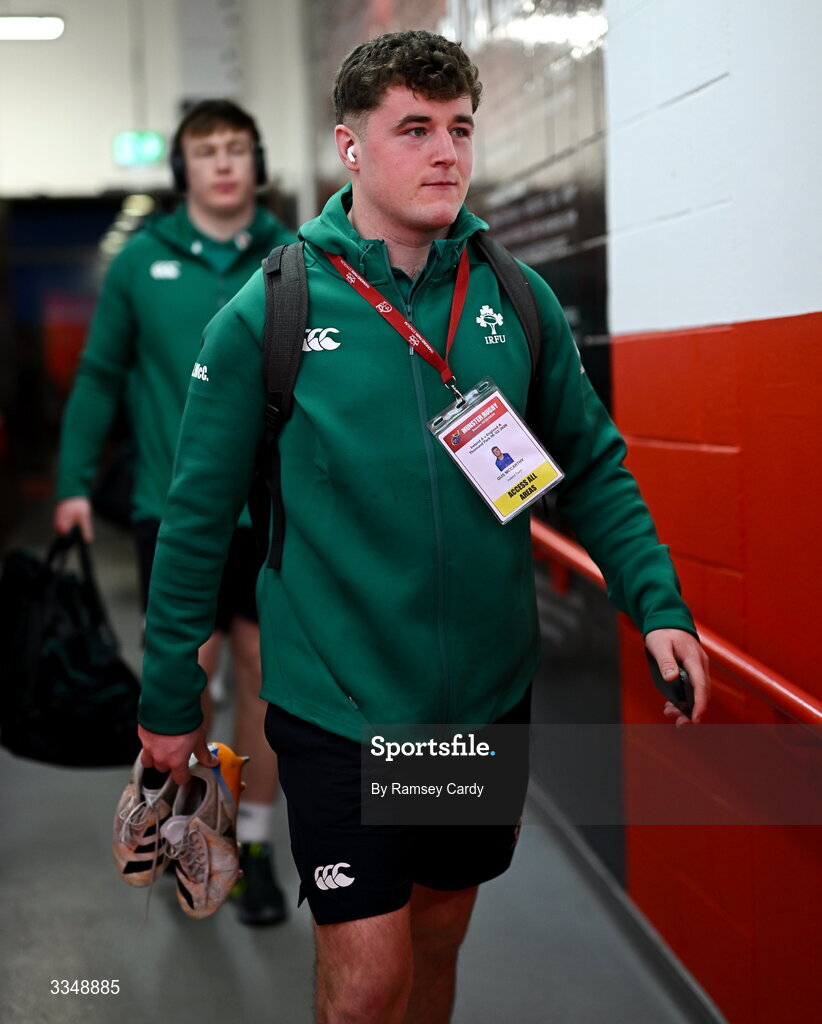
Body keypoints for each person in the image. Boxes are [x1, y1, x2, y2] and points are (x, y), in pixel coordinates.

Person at [137, 31, 711, 1023]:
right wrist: (168, 697)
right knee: (365, 985)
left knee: (439, 935)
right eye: (415, 128)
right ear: (351, 149)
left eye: (458, 128)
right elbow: (194, 523)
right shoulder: (269, 310)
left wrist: (655, 600)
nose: (446, 151)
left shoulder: (512, 298)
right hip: (339, 705)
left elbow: (594, 464)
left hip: (477, 703)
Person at [54, 99, 296, 927]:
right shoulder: (141, 263)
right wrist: (73, 483)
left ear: (256, 161)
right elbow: (98, 376)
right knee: (188, 682)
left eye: (236, 149)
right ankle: (186, 831)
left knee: (263, 687)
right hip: (176, 509)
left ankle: (254, 849)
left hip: (272, 518)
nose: (223, 163)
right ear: (182, 170)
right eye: (206, 151)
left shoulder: (294, 256)